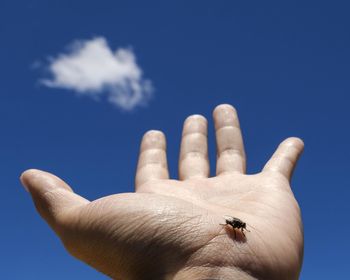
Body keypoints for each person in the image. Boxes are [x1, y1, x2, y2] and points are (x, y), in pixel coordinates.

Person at [21, 104, 304, 280]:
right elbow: (232, 227)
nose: (235, 227)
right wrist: (232, 271)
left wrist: (226, 268)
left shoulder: (238, 227)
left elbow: (235, 229)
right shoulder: (234, 225)